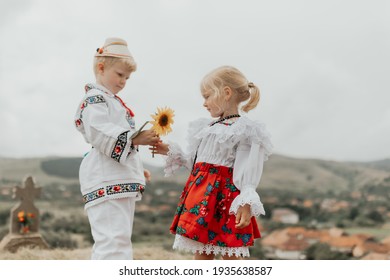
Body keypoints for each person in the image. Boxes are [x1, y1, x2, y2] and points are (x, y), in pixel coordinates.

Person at [151, 66, 272, 260]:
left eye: (207, 96)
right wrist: (170, 150)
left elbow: (247, 170)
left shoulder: (245, 130)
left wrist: (245, 203)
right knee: (202, 251)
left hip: (225, 200)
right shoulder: (205, 128)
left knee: (230, 253)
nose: (204, 103)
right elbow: (197, 164)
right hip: (202, 199)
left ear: (226, 93)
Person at [74, 37, 160, 259]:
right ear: (101, 68)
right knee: (112, 242)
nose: (123, 82)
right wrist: (134, 139)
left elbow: (112, 139)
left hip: (114, 175)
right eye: (120, 75)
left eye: (127, 78)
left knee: (118, 241)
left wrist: (136, 168)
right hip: (105, 176)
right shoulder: (94, 99)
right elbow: (99, 130)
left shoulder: (109, 100)